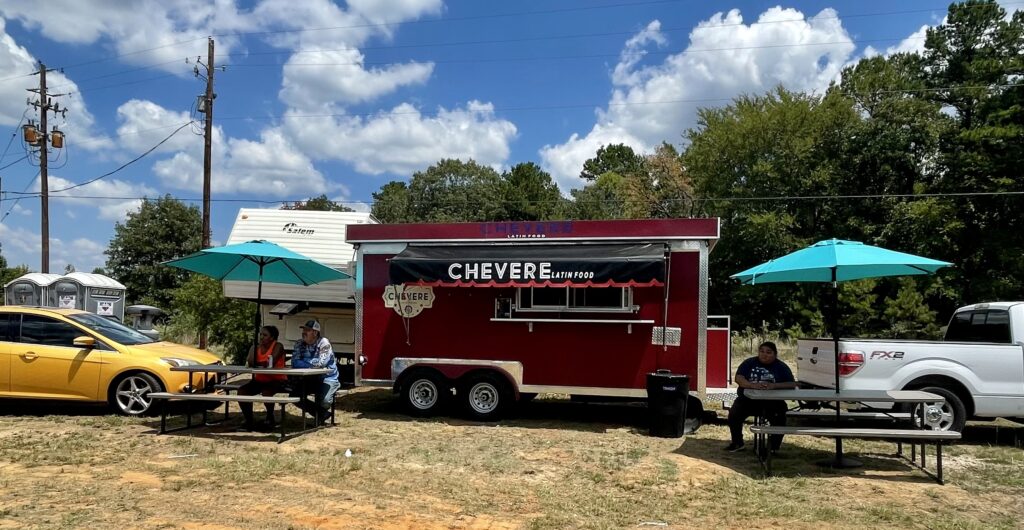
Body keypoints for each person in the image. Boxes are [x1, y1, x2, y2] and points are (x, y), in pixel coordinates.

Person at [725, 341, 796, 453]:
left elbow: (792, 384)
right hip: (748, 400)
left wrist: (774, 386)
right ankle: (737, 443)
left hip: (773, 402)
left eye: (768, 352)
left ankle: (773, 447)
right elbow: (739, 378)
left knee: (780, 417)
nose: (764, 354)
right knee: (734, 414)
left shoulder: (781, 367)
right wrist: (752, 385)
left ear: (775, 354)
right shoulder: (749, 363)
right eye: (761, 351)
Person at [237, 325, 286, 432]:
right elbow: (250, 362)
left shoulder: (278, 346)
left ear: (272, 337)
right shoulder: (255, 347)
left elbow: (270, 362)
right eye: (260, 334)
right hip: (259, 379)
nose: (261, 337)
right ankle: (248, 419)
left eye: (265, 335)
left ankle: (270, 417)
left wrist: (258, 363)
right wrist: (254, 350)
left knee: (266, 392)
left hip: (276, 379)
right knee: (242, 391)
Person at [291, 319, 340, 426]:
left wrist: (304, 362)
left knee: (325, 401)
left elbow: (322, 363)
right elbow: (294, 362)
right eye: (303, 329)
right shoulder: (299, 343)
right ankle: (321, 414)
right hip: (309, 378)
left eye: (307, 330)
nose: (303, 332)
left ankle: (320, 415)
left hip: (327, 378)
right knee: (294, 396)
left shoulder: (324, 343)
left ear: (315, 333)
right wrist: (312, 364)